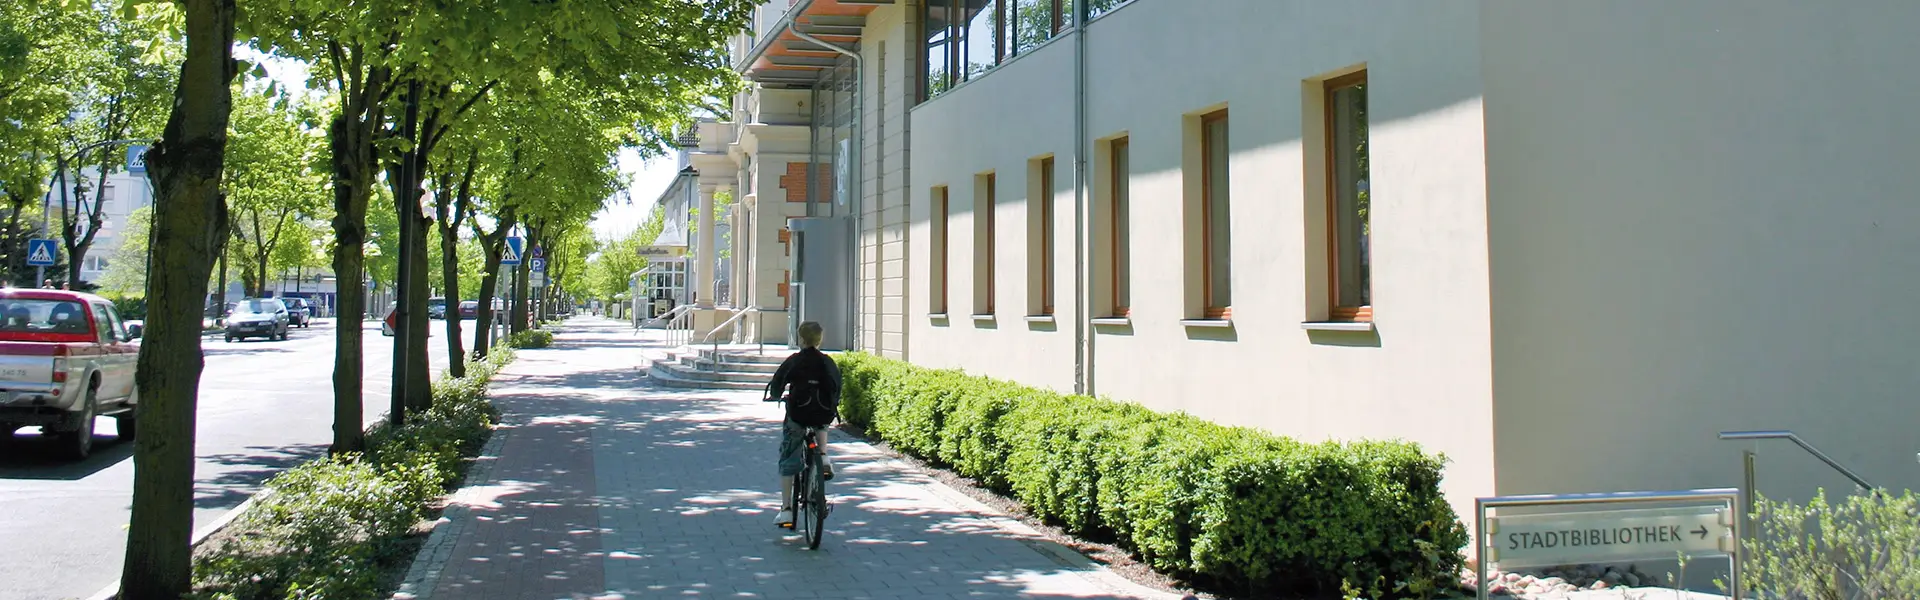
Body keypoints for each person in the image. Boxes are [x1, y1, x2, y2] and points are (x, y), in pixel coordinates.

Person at [764, 320, 841, 529]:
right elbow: (836, 387)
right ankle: (823, 457)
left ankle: (787, 510)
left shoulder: (795, 361)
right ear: (820, 339)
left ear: (800, 338)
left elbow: (778, 383)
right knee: (821, 424)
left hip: (798, 414)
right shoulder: (827, 362)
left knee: (789, 456)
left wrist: (775, 395)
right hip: (822, 414)